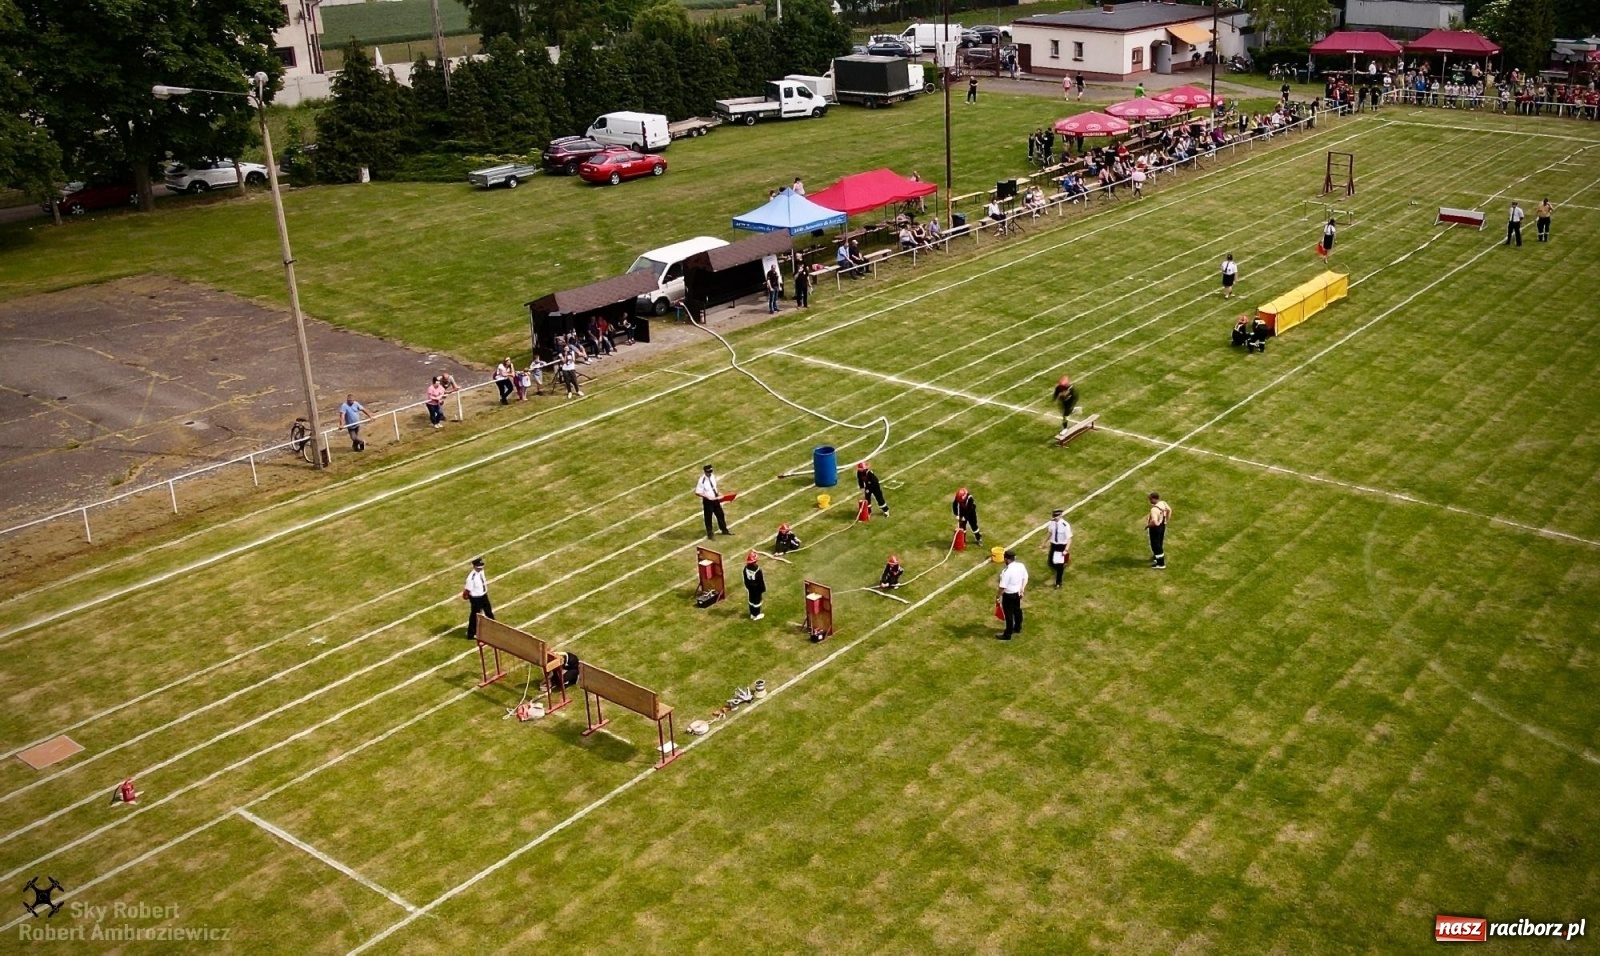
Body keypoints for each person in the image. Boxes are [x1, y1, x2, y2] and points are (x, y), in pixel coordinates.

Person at [995, 550, 1028, 639]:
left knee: (1009, 614)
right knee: (1017, 610)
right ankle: (1018, 627)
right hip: (1017, 593)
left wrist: (998, 596)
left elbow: (1002, 587)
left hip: (1009, 595)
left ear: (1006, 559)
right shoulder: (1020, 566)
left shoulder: (1007, 572)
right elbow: (1025, 577)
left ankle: (1007, 634)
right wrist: (1022, 588)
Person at [463, 556, 494, 640]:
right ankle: (471, 633)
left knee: (489, 612)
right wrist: (467, 596)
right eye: (478, 567)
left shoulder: (481, 572)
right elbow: (467, 590)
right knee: (475, 616)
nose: (480, 568)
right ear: (474, 566)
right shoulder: (471, 578)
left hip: (483, 595)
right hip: (476, 598)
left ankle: (494, 628)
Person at [696, 464, 730, 539]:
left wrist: (718, 493)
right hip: (708, 501)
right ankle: (710, 533)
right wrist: (707, 497)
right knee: (708, 517)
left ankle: (724, 530)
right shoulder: (702, 480)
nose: (710, 473)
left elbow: (714, 487)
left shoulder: (712, 476)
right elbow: (698, 492)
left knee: (720, 514)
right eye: (708, 472)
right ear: (705, 471)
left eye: (710, 471)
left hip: (715, 499)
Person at [1041, 508, 1072, 589]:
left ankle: (1058, 582)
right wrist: (1044, 543)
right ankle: (1063, 563)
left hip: (1061, 546)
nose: (1054, 518)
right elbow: (1050, 533)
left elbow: (1069, 538)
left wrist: (1066, 550)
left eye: (1056, 516)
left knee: (1059, 565)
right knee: (1050, 562)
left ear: (1060, 516)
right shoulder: (1052, 523)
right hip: (1053, 545)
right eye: (1054, 516)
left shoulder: (1065, 525)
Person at [1146, 492, 1172, 569]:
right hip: (1162, 526)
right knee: (1159, 543)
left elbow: (1154, 521)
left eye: (1150, 499)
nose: (1149, 501)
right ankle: (1156, 558)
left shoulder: (1154, 509)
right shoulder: (1163, 503)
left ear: (1154, 499)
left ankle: (1160, 564)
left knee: (1155, 545)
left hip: (1155, 528)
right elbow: (1169, 510)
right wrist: (1166, 520)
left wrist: (1148, 526)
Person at [742, 551, 766, 620]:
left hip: (750, 588)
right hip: (757, 589)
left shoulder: (745, 569)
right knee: (757, 601)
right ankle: (757, 614)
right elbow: (760, 581)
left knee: (751, 600)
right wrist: (762, 589)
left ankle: (752, 613)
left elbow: (745, 579)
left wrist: (747, 586)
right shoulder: (758, 570)